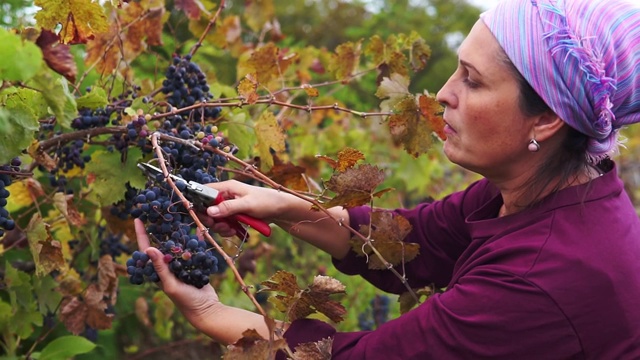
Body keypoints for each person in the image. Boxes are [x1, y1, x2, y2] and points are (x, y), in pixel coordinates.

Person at [135, 0, 640, 358]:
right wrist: (285, 207)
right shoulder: (540, 192)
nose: (443, 93)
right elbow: (406, 240)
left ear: (548, 118)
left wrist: (209, 311)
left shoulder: (539, 280)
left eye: (473, 79)